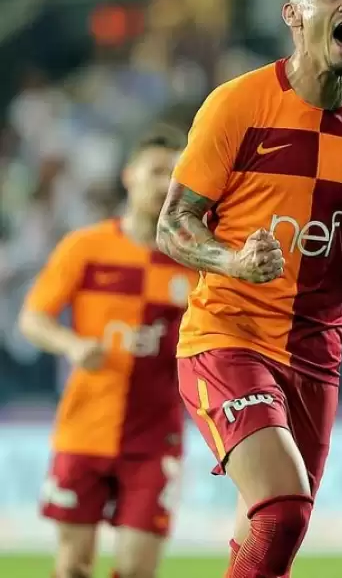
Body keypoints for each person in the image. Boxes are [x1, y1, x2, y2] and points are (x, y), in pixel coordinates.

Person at [156, 0, 342, 578]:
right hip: (229, 336)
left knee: (270, 541)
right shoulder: (238, 105)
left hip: (314, 357)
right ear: (293, 15)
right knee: (283, 510)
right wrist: (232, 260)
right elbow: (172, 224)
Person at [19, 127, 198, 578]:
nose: (165, 183)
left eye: (175, 174)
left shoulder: (195, 260)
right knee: (73, 566)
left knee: (137, 570)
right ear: (129, 175)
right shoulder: (86, 247)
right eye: (156, 171)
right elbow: (33, 318)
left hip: (156, 437)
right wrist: (71, 344)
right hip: (84, 429)